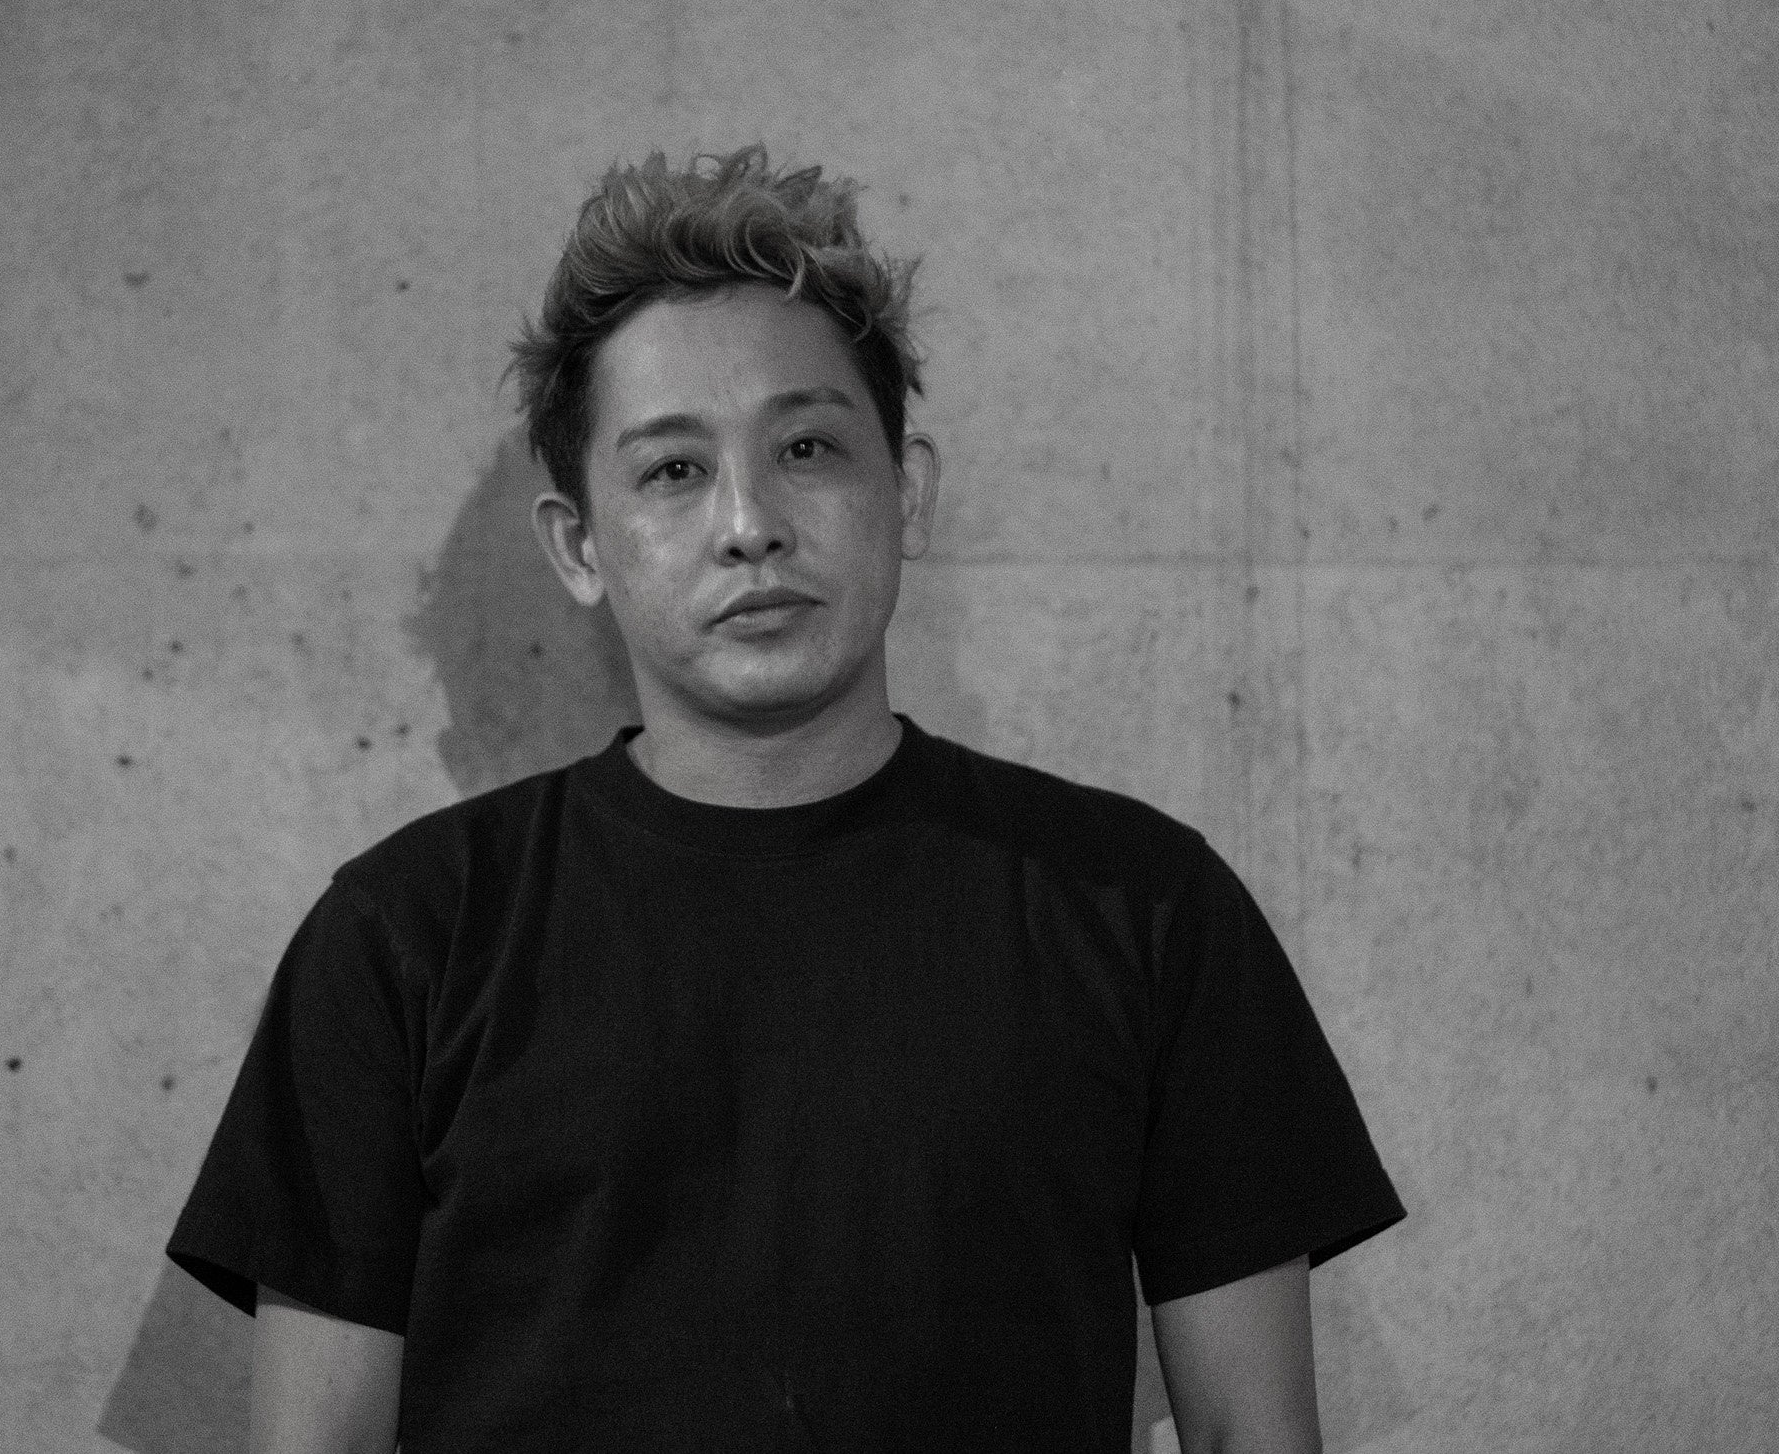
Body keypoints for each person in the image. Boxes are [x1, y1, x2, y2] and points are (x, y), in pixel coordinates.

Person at [167, 145, 1405, 1454]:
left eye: (807, 447)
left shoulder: (1143, 908)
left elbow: (1254, 1434)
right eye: (672, 470)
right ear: (579, 546)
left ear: (905, 492)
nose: (749, 523)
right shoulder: (403, 937)